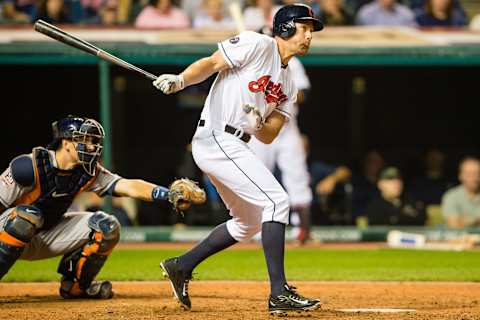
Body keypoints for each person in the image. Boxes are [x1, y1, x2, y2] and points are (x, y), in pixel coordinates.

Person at [152, 3, 323, 315]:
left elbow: (270, 134)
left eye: (311, 29)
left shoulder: (289, 83)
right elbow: (211, 62)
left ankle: (181, 265)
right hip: (216, 136)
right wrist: (181, 80)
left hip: (238, 144)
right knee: (277, 201)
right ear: (285, 28)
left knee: (248, 222)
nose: (309, 35)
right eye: (304, 27)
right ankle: (279, 293)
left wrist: (259, 122)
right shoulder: (256, 44)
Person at [0, 116, 202, 299]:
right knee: (27, 217)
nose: (91, 146)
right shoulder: (29, 166)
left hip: (45, 234)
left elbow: (128, 185)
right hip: (10, 230)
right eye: (85, 140)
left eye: (94, 141)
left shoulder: (87, 172)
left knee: (106, 225)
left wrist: (168, 194)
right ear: (66, 142)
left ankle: (77, 288)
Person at [248, 51, 314, 243]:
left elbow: (302, 93)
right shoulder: (253, 63)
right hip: (259, 127)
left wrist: (280, 89)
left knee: (298, 177)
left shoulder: (292, 63)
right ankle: (257, 228)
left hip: (287, 127)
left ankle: (304, 230)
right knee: (257, 177)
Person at [441, 157, 480, 228]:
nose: (474, 178)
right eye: (469, 174)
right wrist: (476, 219)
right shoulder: (451, 196)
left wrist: (465, 220)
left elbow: (459, 222)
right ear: (460, 176)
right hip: (459, 238)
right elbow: (454, 225)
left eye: (477, 173)